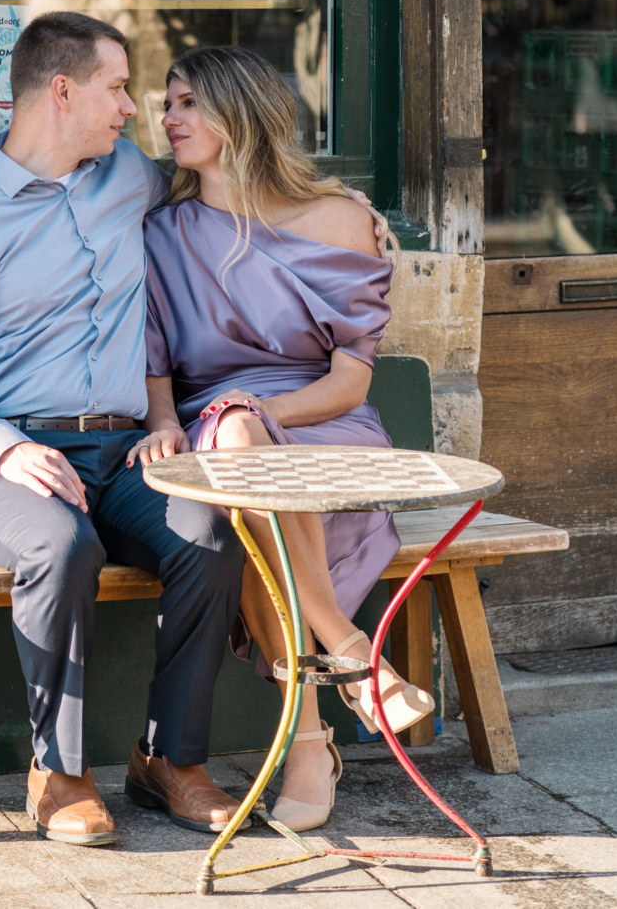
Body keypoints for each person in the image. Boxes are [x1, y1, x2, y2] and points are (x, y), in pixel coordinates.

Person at [0, 11, 253, 848]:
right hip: (3, 462)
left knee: (208, 532)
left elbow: (232, 175)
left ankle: (169, 760)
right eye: (116, 86)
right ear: (61, 91)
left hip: (123, 448)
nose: (132, 107)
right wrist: (9, 449)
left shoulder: (126, 176)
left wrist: (339, 211)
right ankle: (56, 774)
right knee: (62, 549)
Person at [136, 45, 434, 835]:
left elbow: (350, 383)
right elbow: (156, 362)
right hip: (212, 429)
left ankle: (312, 719)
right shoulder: (163, 230)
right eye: (166, 103)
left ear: (242, 112)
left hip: (323, 422)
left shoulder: (337, 218)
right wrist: (166, 421)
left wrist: (265, 416)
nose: (168, 118)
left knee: (241, 455)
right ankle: (338, 660)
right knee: (231, 448)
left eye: (188, 102)